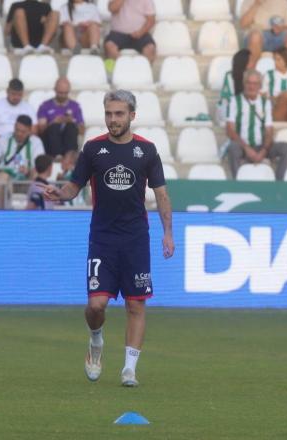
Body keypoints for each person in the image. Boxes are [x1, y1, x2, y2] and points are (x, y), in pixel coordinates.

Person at [42, 89, 175, 387]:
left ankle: (129, 369)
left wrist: (168, 233)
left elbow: (161, 194)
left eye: (118, 114)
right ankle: (96, 340)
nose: (113, 120)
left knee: (136, 304)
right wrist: (60, 194)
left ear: (132, 115)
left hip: (136, 238)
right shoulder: (92, 149)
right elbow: (74, 187)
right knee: (96, 305)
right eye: (109, 114)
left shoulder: (147, 151)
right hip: (102, 237)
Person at [226, 69, 287, 180]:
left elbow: (268, 130)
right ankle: (237, 182)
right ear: (244, 84)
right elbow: (230, 130)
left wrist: (264, 150)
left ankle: (278, 183)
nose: (251, 87)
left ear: (260, 86)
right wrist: (247, 148)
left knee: (286, 148)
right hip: (243, 147)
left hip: (261, 146)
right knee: (232, 148)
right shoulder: (235, 101)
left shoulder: (265, 102)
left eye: (255, 84)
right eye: (248, 83)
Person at [0, 114, 44, 208]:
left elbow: (40, 165)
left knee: (37, 174)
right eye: (17, 130)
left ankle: (32, 211)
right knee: (1, 178)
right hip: (8, 179)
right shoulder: (3, 139)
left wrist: (28, 171)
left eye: (23, 132)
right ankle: (0, 213)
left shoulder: (36, 142)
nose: (19, 134)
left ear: (29, 131)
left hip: (27, 180)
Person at [239, 0, 287, 68]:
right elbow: (243, 24)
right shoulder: (248, 1)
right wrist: (256, 4)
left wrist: (281, 28)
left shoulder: (283, 2)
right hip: (258, 34)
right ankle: (252, 72)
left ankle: (284, 72)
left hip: (278, 35)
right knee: (255, 36)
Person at [0, 79, 35, 153]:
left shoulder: (28, 108)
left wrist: (18, 140)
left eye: (19, 95)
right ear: (7, 91)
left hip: (23, 145)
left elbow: (34, 131)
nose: (16, 97)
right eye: (13, 94)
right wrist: (5, 141)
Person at [37, 77, 84, 157]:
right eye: (60, 93)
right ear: (55, 90)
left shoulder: (75, 106)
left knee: (71, 127)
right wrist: (53, 122)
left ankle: (69, 157)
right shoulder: (45, 106)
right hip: (50, 145)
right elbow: (40, 130)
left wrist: (71, 121)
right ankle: (57, 157)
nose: (63, 95)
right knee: (54, 127)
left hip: (69, 142)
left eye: (65, 93)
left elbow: (82, 130)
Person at [217, 49, 251, 126]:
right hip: (230, 114)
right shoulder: (229, 76)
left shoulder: (253, 76)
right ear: (246, 63)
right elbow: (226, 100)